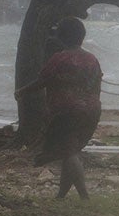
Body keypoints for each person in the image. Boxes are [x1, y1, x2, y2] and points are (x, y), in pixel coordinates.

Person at [17, 16, 102, 200]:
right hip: (92, 110)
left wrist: (21, 92)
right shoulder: (92, 59)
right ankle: (61, 196)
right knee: (69, 151)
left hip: (67, 111)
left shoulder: (59, 58)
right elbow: (97, 85)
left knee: (69, 152)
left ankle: (84, 196)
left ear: (61, 37)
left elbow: (43, 81)